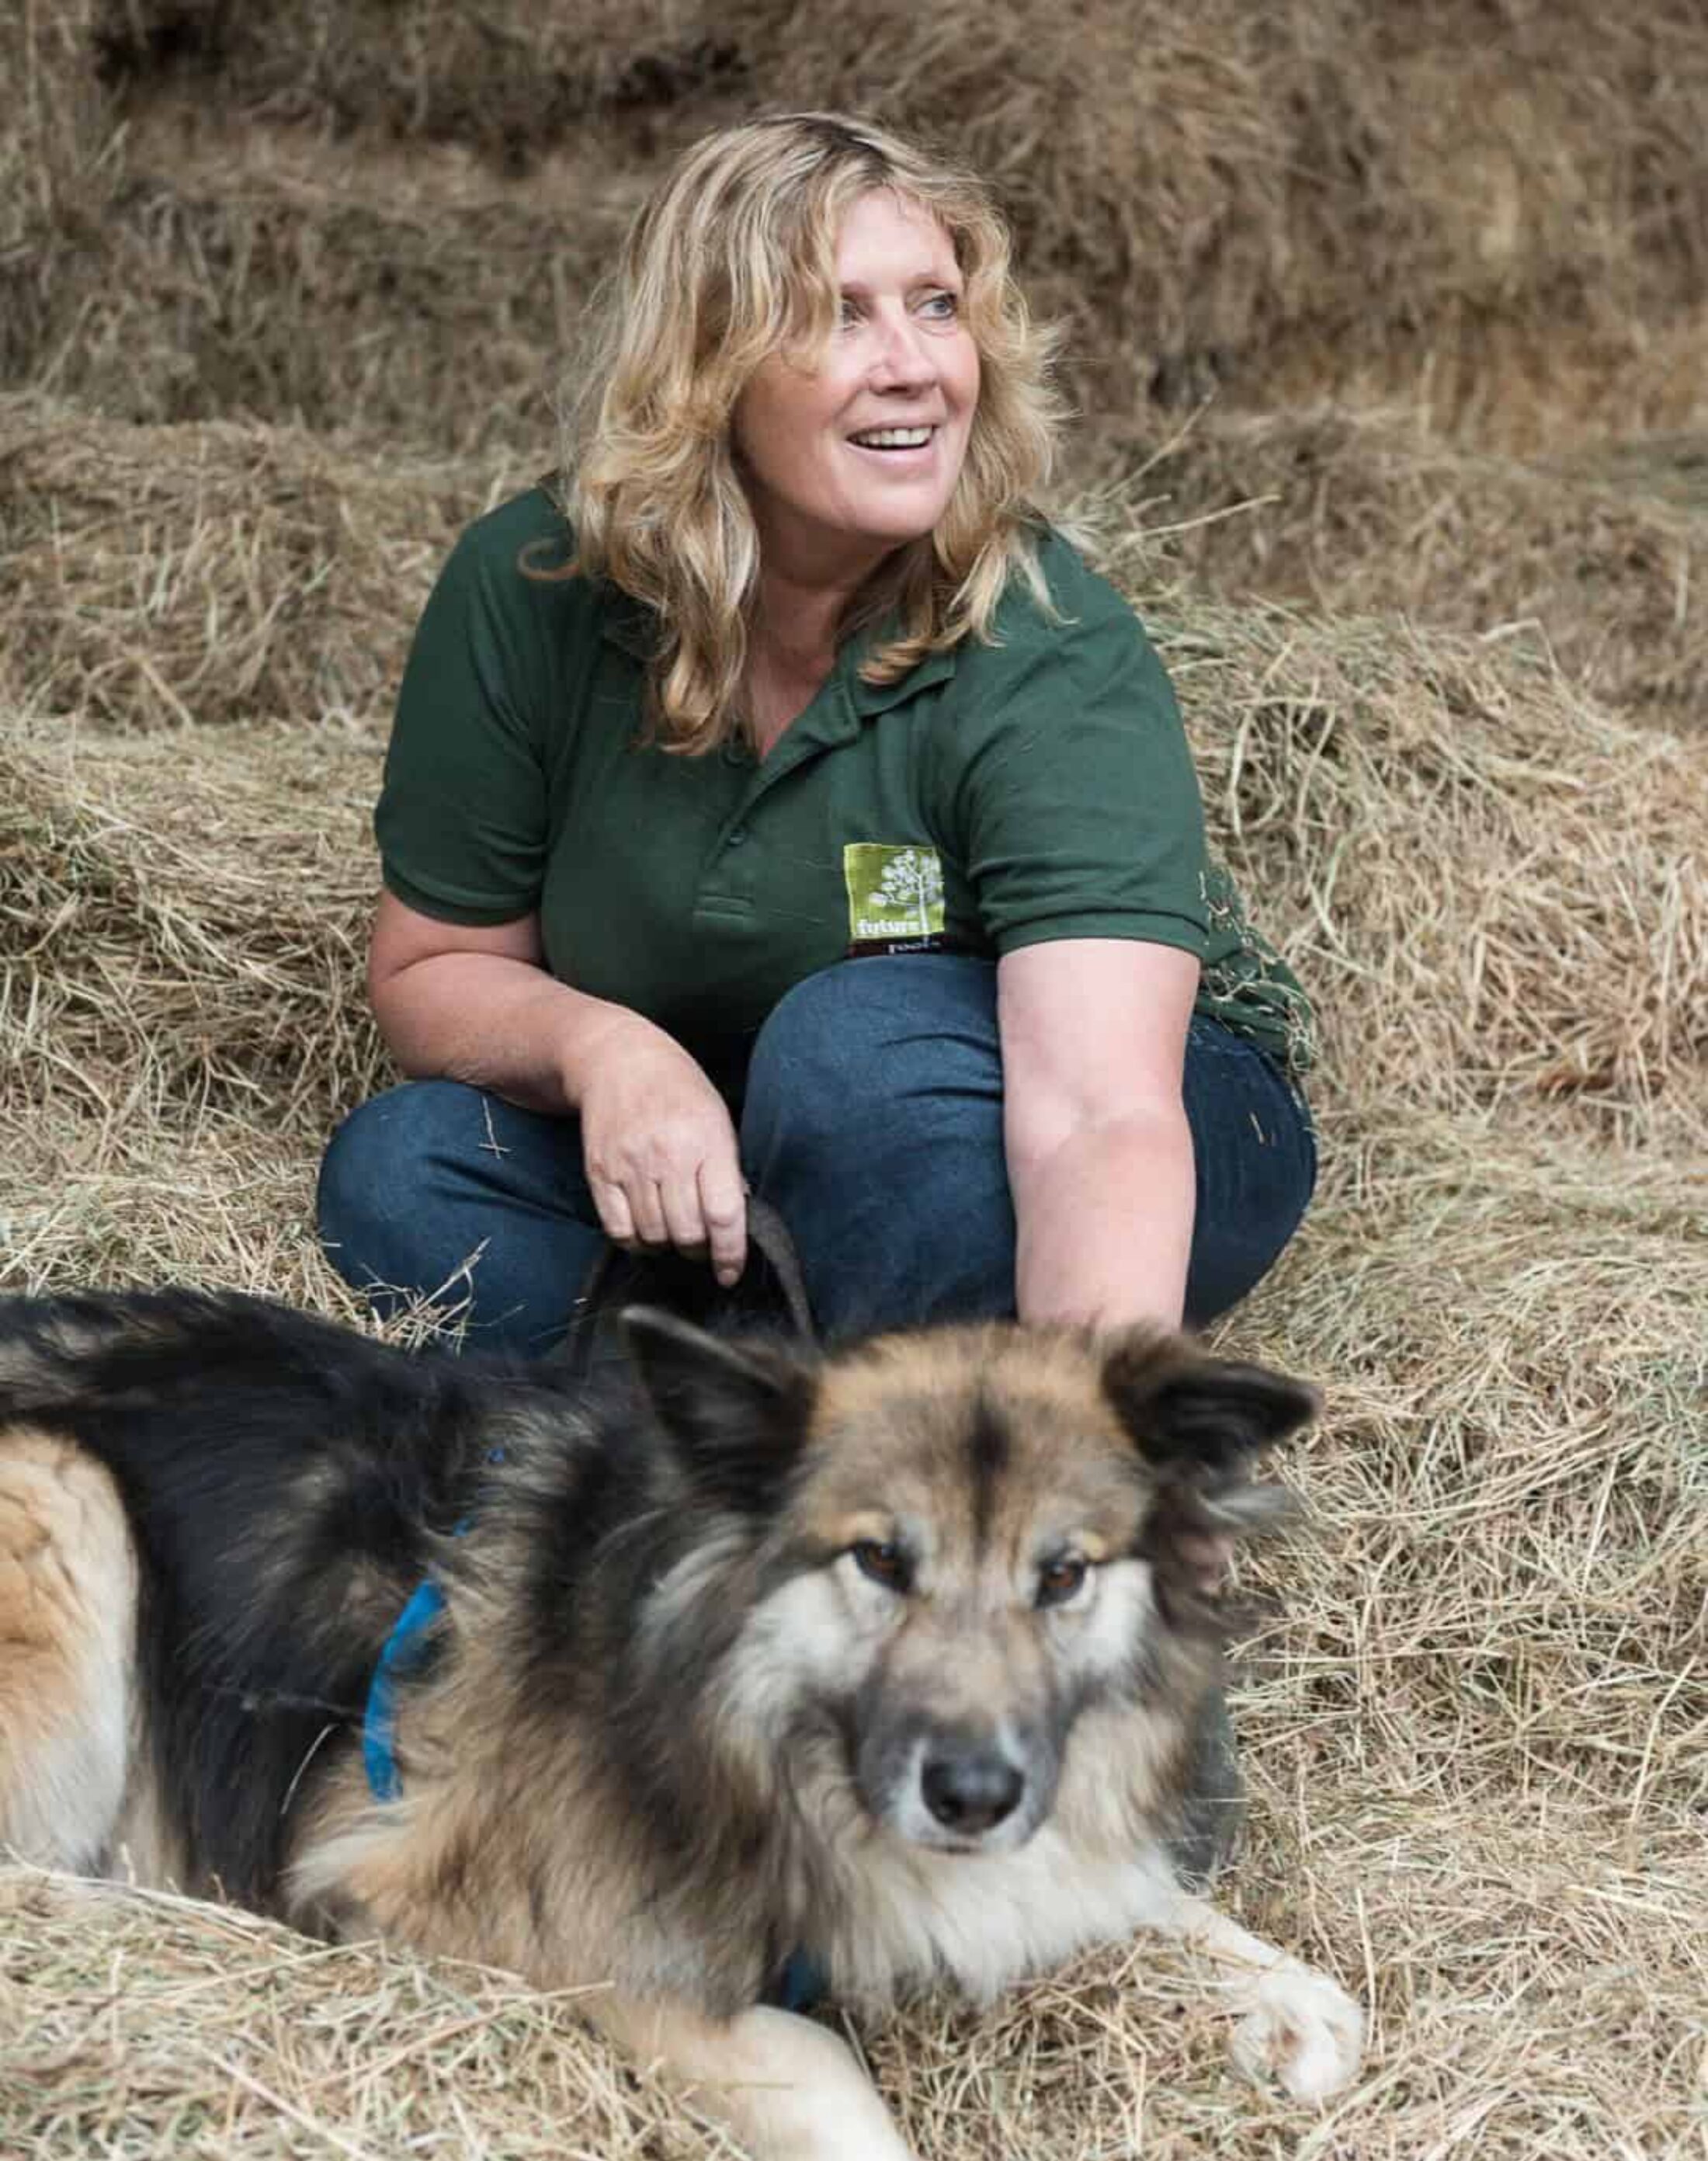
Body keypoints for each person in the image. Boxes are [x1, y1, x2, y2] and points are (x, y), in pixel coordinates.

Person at [316, 109, 1316, 1370]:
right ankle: (774, 1388)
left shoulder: (1047, 645)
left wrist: (1091, 1470)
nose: (913, 366)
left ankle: (789, 1413)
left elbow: (1096, 1116)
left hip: (1107, 1113)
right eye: (841, 315)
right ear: (709, 367)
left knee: (856, 1049)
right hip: (755, 1134)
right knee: (404, 1175)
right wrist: (607, 1051)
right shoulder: (534, 586)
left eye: (938, 307)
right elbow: (432, 970)